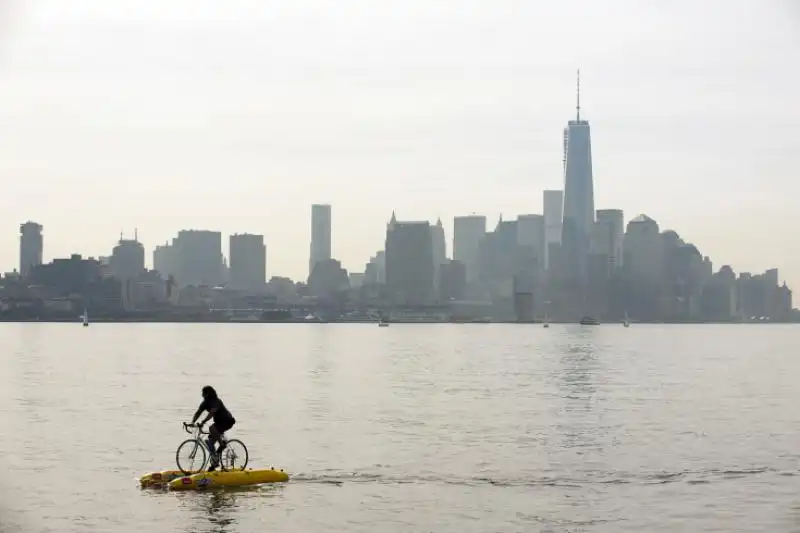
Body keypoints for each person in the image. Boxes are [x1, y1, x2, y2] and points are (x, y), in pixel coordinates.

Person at [189, 385, 236, 471]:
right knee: (210, 442)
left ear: (207, 394)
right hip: (219, 423)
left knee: (211, 428)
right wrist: (192, 422)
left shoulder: (216, 401)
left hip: (227, 421)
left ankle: (222, 444)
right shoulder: (205, 403)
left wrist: (203, 421)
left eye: (203, 393)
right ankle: (215, 463)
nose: (202, 395)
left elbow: (211, 413)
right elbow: (198, 412)